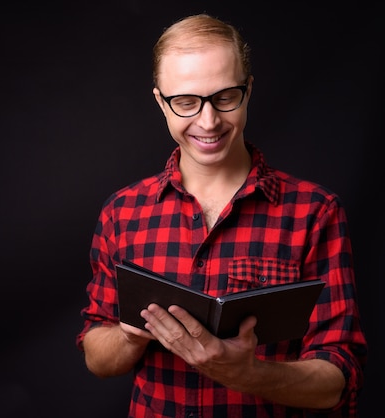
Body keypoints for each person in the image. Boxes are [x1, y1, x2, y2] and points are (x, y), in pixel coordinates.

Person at [75, 13, 368, 418]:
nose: (208, 121)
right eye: (186, 102)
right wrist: (130, 337)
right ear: (161, 101)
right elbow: (96, 355)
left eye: (225, 97)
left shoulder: (315, 213)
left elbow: (339, 377)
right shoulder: (122, 212)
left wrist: (247, 374)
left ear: (248, 90)